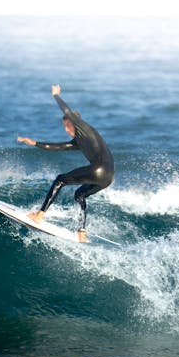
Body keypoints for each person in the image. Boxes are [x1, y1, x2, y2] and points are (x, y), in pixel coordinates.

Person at [17, 84, 114, 242]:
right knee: (80, 194)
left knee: (60, 180)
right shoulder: (79, 141)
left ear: (72, 123)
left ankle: (39, 215)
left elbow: (67, 111)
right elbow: (58, 147)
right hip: (108, 177)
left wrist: (56, 95)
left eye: (66, 126)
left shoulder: (83, 127)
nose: (65, 130)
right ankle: (81, 232)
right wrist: (35, 143)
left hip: (98, 169)